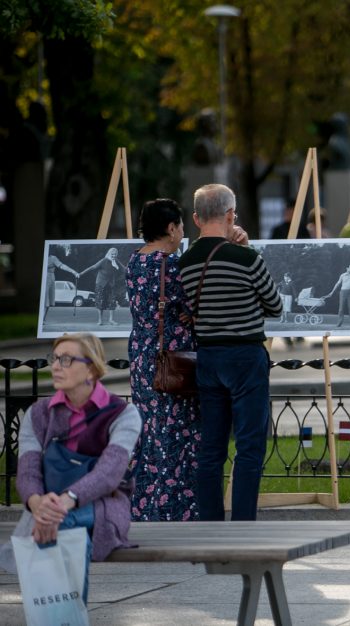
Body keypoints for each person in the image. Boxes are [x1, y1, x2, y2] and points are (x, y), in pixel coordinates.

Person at [179, 183, 282, 522]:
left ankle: (210, 524)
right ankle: (242, 524)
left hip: (208, 358)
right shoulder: (247, 258)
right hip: (245, 357)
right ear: (230, 215)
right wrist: (247, 247)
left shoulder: (186, 262)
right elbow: (275, 306)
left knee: (212, 448)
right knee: (249, 447)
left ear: (195, 218)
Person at [15, 333, 142, 603]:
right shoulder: (38, 414)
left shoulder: (122, 414)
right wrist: (37, 502)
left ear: (92, 369)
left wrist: (65, 502)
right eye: (55, 358)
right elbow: (27, 471)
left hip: (102, 506)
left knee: (62, 521)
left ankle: (58, 618)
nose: (56, 366)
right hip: (49, 507)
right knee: (71, 535)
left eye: (67, 359)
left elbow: (109, 474)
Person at [126, 198, 200, 521]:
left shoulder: (133, 262)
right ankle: (175, 511)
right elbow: (193, 307)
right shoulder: (170, 265)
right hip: (171, 362)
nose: (183, 233)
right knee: (177, 435)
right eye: (181, 226)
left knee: (149, 433)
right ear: (171, 228)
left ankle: (142, 507)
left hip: (142, 356)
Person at [80, 247, 126, 325]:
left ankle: (111, 320)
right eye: (112, 254)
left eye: (115, 254)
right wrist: (81, 274)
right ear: (109, 253)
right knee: (100, 302)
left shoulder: (116, 262)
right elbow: (93, 267)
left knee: (112, 301)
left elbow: (124, 269)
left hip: (111, 284)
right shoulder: (104, 261)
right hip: (101, 284)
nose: (114, 256)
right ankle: (100, 320)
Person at [44, 247, 80, 321]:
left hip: (50, 277)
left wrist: (74, 272)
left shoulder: (53, 258)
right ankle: (41, 319)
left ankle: (43, 319)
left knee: (47, 302)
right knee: (44, 300)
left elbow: (62, 266)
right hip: (45, 277)